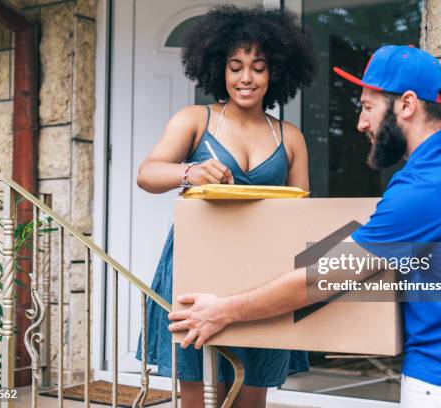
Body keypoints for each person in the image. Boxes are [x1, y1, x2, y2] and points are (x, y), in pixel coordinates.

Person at [168, 45, 441, 407]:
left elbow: (323, 278)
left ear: (407, 104)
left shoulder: (428, 185)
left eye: (367, 107)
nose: (361, 124)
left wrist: (221, 310)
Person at [135, 5, 316, 408]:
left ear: (275, 73)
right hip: (197, 269)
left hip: (263, 278)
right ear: (218, 68)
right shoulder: (195, 119)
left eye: (258, 66)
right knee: (195, 397)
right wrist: (189, 173)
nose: (246, 78)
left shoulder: (291, 137)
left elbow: (302, 214)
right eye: (235, 67)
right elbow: (146, 174)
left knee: (251, 398)